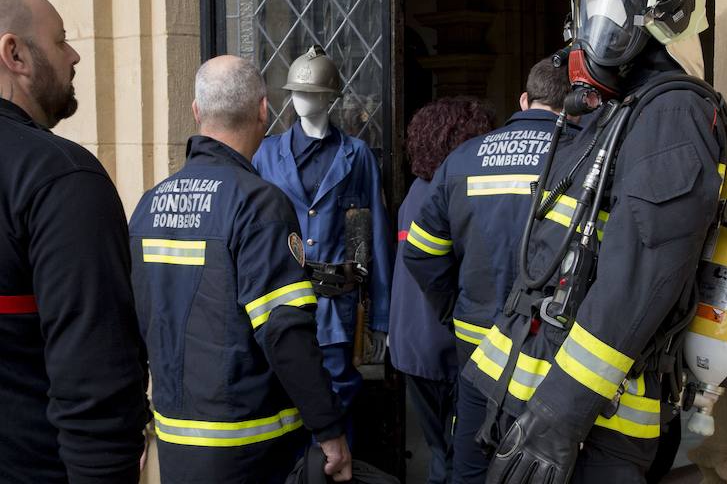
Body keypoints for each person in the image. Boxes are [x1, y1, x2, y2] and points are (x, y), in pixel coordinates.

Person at [460, 0, 727, 483]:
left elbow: (640, 278)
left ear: (671, 6)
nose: (591, 30)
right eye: (586, 9)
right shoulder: (621, 111)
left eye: (610, 7)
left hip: (589, 428)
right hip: (527, 396)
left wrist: (560, 415)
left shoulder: (675, 113)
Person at [129, 55, 351, 484]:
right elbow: (284, 330)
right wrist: (329, 429)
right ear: (264, 111)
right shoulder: (259, 204)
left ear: (196, 112)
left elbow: (125, 327)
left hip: (176, 444)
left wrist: (135, 423)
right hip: (252, 448)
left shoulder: (149, 205)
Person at [402, 59, 580, 484]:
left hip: (476, 343)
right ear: (576, 106)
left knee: (472, 463)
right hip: (553, 349)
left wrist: (456, 309)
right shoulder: (586, 158)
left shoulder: (464, 158)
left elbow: (421, 253)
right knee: (545, 466)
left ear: (524, 100)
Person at [0, 0, 149, 482]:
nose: (75, 56)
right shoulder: (61, 177)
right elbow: (96, 382)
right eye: (61, 39)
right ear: (14, 54)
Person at [254, 45, 392, 414]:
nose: (301, 101)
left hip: (336, 307)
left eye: (312, 93)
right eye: (297, 93)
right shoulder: (266, 155)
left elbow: (373, 235)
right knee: (284, 402)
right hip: (280, 305)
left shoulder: (356, 154)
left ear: (330, 98)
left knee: (337, 399)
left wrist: (380, 318)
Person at [390, 97, 496, 484]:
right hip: (445, 346)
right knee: (458, 458)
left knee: (441, 451)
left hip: (411, 344)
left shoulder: (416, 192)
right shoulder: (453, 193)